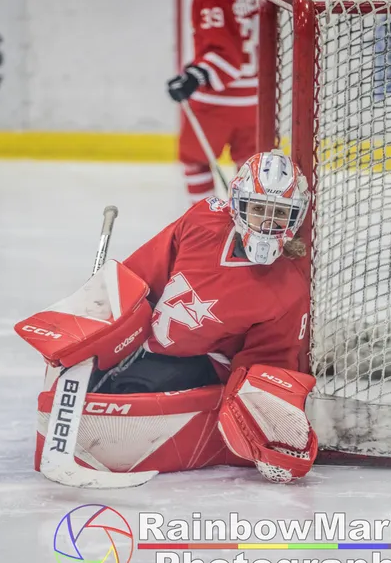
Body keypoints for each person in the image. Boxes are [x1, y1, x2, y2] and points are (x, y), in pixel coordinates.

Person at [21, 151, 319, 483]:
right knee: (85, 374)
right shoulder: (203, 221)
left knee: (128, 391)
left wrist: (262, 418)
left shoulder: (289, 287)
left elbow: (266, 362)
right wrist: (102, 317)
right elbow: (142, 274)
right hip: (146, 338)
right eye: (259, 208)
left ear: (296, 218)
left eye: (281, 213)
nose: (267, 223)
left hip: (205, 361)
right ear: (238, 204)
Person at [167, 0, 258, 204]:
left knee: (194, 161)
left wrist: (194, 77)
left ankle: (206, 218)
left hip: (217, 101)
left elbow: (226, 57)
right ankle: (249, 219)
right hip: (256, 99)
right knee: (251, 164)